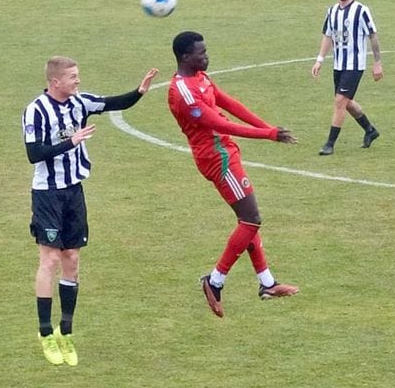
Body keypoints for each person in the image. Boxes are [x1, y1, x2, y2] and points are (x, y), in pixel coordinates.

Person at [23, 57, 158, 365]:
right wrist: (71, 140)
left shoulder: (80, 102)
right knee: (51, 258)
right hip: (48, 194)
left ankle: (65, 332)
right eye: (73, 77)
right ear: (55, 82)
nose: (78, 81)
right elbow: (34, 154)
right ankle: (45, 333)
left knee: (71, 258)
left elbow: (112, 103)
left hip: (74, 191)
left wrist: (139, 91)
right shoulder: (36, 110)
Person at [167, 31, 299, 318]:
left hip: (227, 153)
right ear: (185, 57)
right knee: (251, 219)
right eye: (201, 53)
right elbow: (221, 124)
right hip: (217, 159)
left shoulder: (200, 78)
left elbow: (229, 104)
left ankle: (267, 283)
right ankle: (214, 282)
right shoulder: (183, 93)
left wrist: (269, 127)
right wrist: (268, 135)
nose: (207, 56)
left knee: (247, 220)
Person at [310, 0, 383, 156]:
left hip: (354, 65)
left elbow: (372, 36)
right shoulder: (332, 11)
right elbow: (328, 36)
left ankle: (330, 144)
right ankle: (370, 130)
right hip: (338, 64)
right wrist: (319, 60)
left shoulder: (361, 10)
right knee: (347, 102)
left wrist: (377, 63)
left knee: (340, 102)